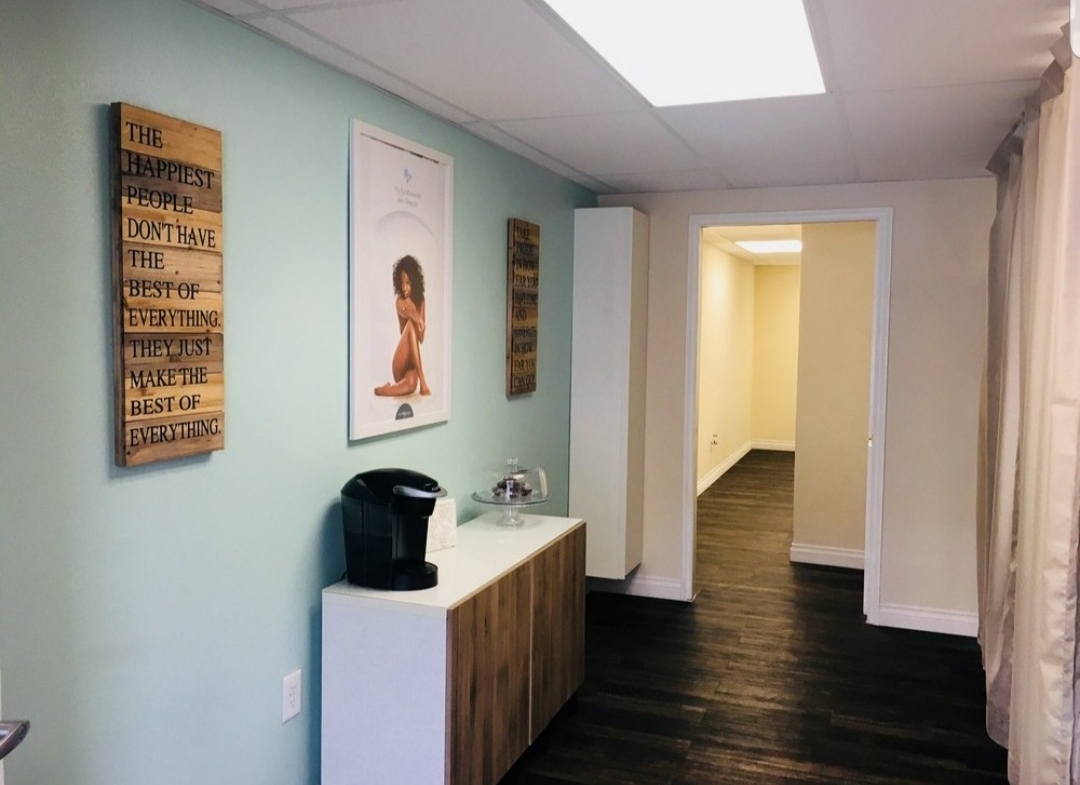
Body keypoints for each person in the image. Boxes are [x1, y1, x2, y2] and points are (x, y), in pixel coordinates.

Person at [374, 254, 431, 397]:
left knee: (411, 385)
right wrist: (418, 319)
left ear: (415, 282)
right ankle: (423, 380)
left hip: (412, 365)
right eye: (402, 282)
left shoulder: (421, 301)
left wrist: (420, 323)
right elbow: (409, 315)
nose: (404, 287)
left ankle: (385, 390)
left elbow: (421, 339)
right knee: (411, 325)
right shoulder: (400, 301)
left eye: (408, 283)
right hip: (401, 361)